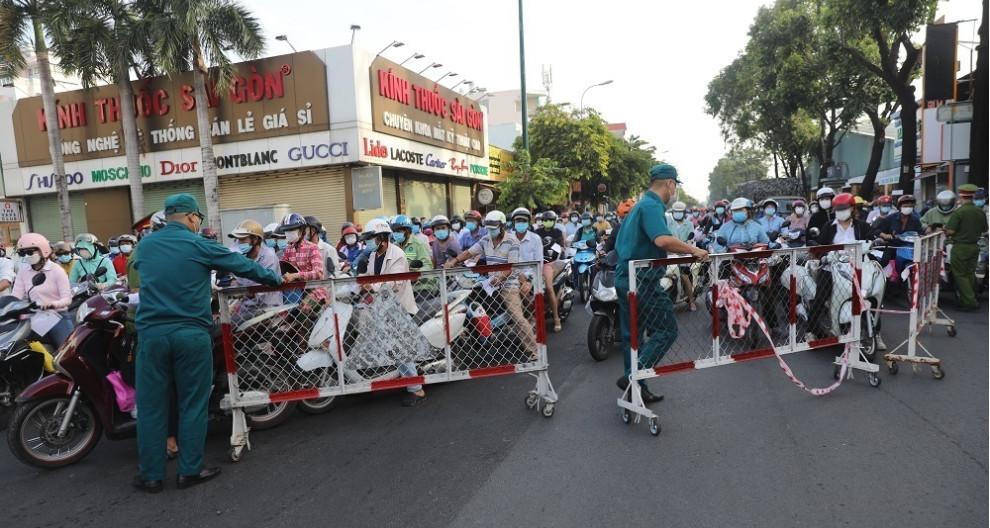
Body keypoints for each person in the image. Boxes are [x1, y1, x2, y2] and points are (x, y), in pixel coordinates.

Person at [131, 193, 282, 493]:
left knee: (151, 407)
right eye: (198, 218)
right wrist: (274, 279)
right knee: (192, 404)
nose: (198, 222)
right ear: (191, 217)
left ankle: (151, 476)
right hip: (191, 334)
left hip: (151, 335)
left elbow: (136, 278)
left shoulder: (145, 245)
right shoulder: (199, 244)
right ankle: (189, 471)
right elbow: (242, 265)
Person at [614, 163, 708, 403]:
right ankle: (634, 376)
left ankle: (637, 389)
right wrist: (693, 250)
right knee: (666, 330)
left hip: (625, 277)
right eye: (674, 187)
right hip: (642, 280)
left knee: (633, 337)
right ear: (670, 183)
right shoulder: (651, 206)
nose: (673, 192)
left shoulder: (638, 206)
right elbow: (663, 240)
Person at [445, 210, 537, 359]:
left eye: (494, 228)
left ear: (502, 226)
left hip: (508, 284)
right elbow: (469, 253)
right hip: (489, 283)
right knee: (470, 301)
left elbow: (511, 266)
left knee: (517, 317)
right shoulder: (485, 239)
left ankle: (533, 350)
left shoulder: (512, 241)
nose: (491, 231)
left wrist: (500, 277)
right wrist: (454, 261)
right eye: (489, 228)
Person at [358, 218, 426, 407]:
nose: (367, 242)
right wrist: (356, 280)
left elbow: (395, 282)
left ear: (381, 237)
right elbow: (367, 277)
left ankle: (416, 389)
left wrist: (371, 286)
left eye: (370, 238)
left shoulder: (397, 254)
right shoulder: (374, 255)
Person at [12, 233, 73, 347]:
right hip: (36, 316)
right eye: (22, 253)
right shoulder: (23, 271)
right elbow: (16, 296)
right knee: (20, 347)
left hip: (57, 315)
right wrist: (11, 308)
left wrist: (52, 304)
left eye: (30, 252)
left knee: (66, 350)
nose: (26, 256)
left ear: (43, 250)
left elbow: (67, 298)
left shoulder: (56, 270)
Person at [226, 219, 282, 323]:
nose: (239, 243)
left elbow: (263, 288)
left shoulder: (268, 256)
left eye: (243, 239)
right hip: (247, 309)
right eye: (238, 240)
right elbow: (235, 280)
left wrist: (242, 292)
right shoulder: (242, 258)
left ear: (255, 239)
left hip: (268, 309)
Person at [946, 184, 988, 311]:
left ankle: (970, 302)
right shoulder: (980, 212)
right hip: (975, 247)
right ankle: (969, 299)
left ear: (961, 196)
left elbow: (950, 231)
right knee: (970, 274)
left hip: (960, 247)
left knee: (960, 275)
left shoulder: (959, 212)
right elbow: (985, 229)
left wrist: (943, 229)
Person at [278, 213, 327, 309]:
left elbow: (318, 273)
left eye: (291, 230)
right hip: (294, 292)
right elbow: (282, 268)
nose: (288, 233)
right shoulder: (288, 249)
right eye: (286, 231)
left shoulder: (312, 248)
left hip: (313, 291)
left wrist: (296, 275)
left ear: (301, 230)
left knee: (303, 310)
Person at [667, 201, 698, 311]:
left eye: (680, 212)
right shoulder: (668, 223)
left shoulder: (689, 224)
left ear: (684, 213)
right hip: (669, 255)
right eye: (676, 211)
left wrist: (686, 247)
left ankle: (691, 301)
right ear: (673, 212)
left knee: (684, 277)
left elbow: (690, 240)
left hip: (683, 255)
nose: (678, 213)